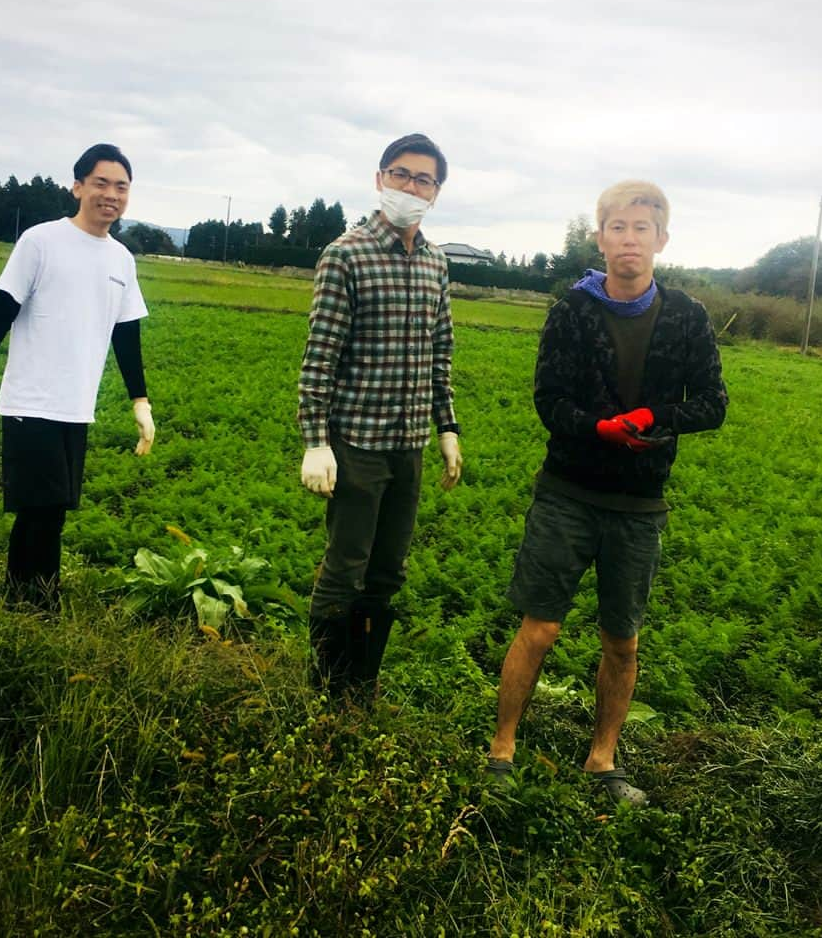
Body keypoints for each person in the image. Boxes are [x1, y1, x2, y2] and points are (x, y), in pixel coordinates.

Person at [487, 180, 727, 805]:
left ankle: (602, 761)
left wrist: (651, 420)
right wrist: (597, 428)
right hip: (567, 491)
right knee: (538, 628)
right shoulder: (571, 311)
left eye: (641, 229)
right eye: (617, 228)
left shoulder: (688, 317)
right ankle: (501, 750)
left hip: (639, 505)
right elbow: (549, 399)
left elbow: (712, 405)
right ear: (600, 238)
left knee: (622, 640)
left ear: (661, 240)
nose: (629, 240)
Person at [0, 143, 155, 610]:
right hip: (31, 400)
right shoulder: (42, 241)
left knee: (51, 512)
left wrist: (140, 404)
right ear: (78, 186)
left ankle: (24, 604)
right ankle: (37, 607)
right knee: (40, 512)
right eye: (101, 183)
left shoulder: (121, 260)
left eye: (121, 186)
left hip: (75, 406)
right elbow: (0, 311)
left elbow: (127, 336)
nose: (111, 194)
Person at [298, 132, 462, 700]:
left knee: (388, 570)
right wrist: (316, 440)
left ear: (436, 192)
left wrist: (447, 427)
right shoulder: (347, 254)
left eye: (424, 180)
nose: (411, 187)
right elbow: (321, 358)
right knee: (346, 565)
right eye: (401, 174)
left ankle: (359, 690)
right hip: (357, 444)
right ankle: (323, 690)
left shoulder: (436, 264)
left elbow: (440, 353)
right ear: (379, 179)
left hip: (409, 441)